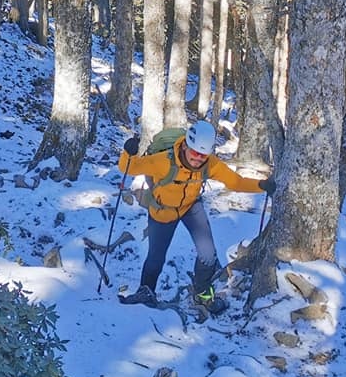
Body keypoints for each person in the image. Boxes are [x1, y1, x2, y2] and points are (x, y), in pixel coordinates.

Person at [117, 120, 276, 312]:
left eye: (203, 155)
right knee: (156, 258)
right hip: (163, 211)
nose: (198, 159)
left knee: (207, 253)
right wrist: (128, 152)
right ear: (185, 145)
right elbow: (129, 168)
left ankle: (202, 294)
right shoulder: (163, 162)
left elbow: (235, 182)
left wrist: (261, 186)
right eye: (195, 153)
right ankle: (146, 291)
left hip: (190, 206)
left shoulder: (210, 164)